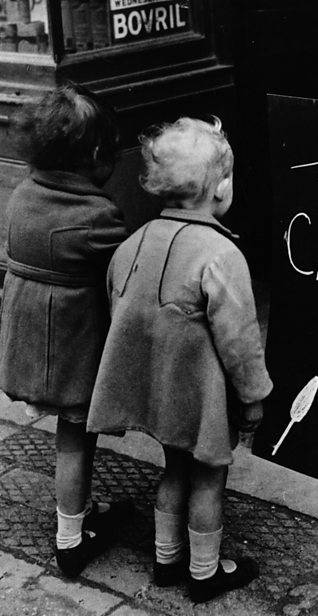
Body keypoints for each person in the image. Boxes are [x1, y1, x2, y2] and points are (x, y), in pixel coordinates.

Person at [87, 116, 273, 603]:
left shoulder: (134, 242)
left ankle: (166, 558)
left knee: (173, 469)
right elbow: (240, 338)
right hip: (203, 397)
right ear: (222, 188)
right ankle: (206, 571)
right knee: (209, 476)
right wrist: (254, 397)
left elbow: (118, 305)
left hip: (159, 391)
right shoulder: (219, 254)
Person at [0, 83, 130, 578]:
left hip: (29, 339)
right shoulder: (96, 216)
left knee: (69, 435)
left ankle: (78, 512)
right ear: (97, 156)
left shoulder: (23, 194)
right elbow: (128, 264)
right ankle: (71, 539)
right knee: (75, 437)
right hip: (70, 349)